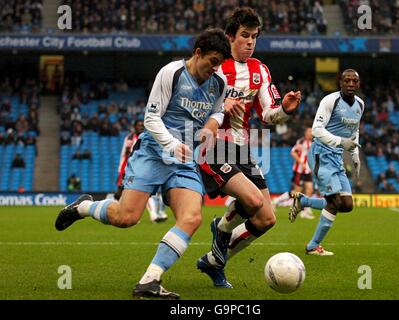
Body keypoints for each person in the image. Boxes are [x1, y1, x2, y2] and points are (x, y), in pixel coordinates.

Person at [54, 28, 231, 299]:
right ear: (198, 53)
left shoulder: (218, 83)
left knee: (192, 217)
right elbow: (151, 119)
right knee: (126, 218)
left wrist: (211, 123)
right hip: (154, 152)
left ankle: (150, 281)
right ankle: (84, 207)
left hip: (184, 161)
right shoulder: (171, 73)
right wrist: (173, 144)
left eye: (220, 64)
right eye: (213, 61)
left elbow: (218, 110)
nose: (215, 68)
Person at [196, 7, 301, 289]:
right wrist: (218, 106)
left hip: (243, 149)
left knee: (267, 218)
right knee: (253, 202)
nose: (250, 42)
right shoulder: (214, 65)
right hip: (214, 145)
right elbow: (193, 107)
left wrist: (285, 111)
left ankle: (214, 261)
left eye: (254, 37)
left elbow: (269, 114)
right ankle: (221, 227)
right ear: (230, 36)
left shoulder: (260, 70)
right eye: (245, 36)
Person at [289, 69, 364, 256]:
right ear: (340, 82)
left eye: (354, 81)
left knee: (346, 205)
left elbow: (354, 132)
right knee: (334, 202)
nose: (351, 84)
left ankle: (303, 201)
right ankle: (313, 246)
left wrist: (354, 155)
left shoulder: (360, 105)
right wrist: (340, 142)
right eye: (347, 80)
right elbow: (316, 130)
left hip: (337, 157)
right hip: (321, 154)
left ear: (359, 84)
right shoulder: (330, 101)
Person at [114, 120, 167, 223]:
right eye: (138, 125)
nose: (140, 127)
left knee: (144, 191)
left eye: (142, 125)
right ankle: (117, 209)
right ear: (134, 127)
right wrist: (121, 168)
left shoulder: (149, 137)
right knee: (122, 190)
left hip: (142, 168)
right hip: (128, 167)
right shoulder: (129, 138)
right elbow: (124, 154)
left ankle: (154, 215)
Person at [272, 127, 315, 219]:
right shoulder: (301, 142)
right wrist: (301, 163)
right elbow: (293, 152)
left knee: (310, 189)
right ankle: (277, 200)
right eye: (308, 131)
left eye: (311, 132)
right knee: (296, 192)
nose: (310, 133)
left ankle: (305, 211)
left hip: (307, 170)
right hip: (299, 170)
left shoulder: (313, 143)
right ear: (305, 133)